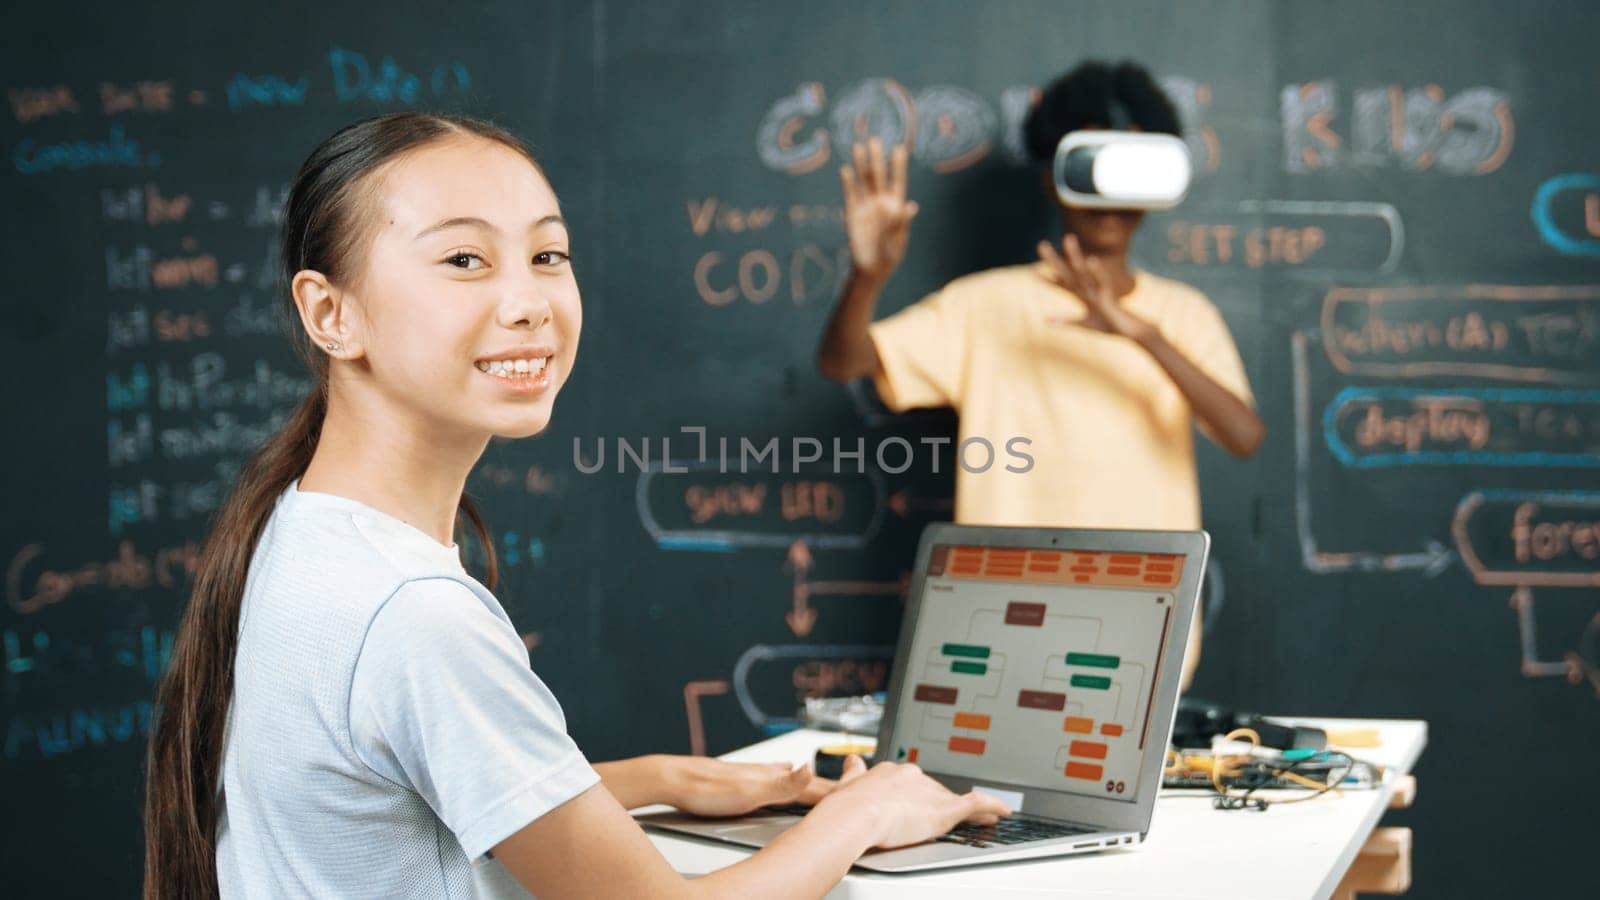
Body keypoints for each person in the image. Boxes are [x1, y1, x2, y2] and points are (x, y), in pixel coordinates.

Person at [142, 112, 1009, 900]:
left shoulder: (301, 528)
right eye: (463, 260)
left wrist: (667, 776)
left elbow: (402, 796)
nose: (528, 304)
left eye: (547, 255)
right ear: (330, 314)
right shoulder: (414, 615)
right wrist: (865, 811)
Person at [816, 61, 1264, 692]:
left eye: (1131, 165)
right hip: (997, 624)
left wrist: (1144, 337)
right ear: (1053, 180)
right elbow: (844, 362)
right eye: (1090, 164)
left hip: (1144, 628)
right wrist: (867, 276)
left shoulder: (1183, 314)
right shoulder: (984, 304)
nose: (1111, 193)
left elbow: (1243, 434)